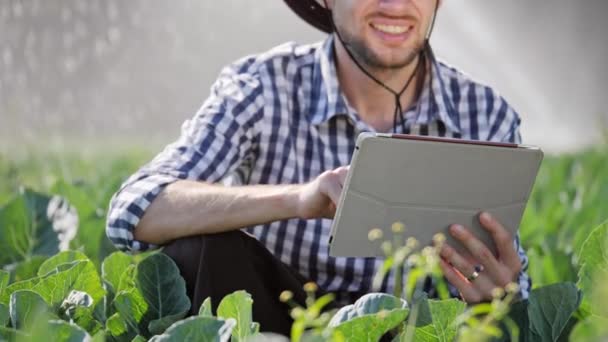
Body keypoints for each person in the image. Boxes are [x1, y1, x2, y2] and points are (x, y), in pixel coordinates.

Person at [106, 0, 530, 335]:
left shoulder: (485, 115)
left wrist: (499, 289)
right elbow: (133, 210)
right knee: (199, 249)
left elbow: (512, 294)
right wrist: (298, 197)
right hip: (273, 325)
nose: (395, 5)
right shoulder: (262, 86)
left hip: (410, 331)